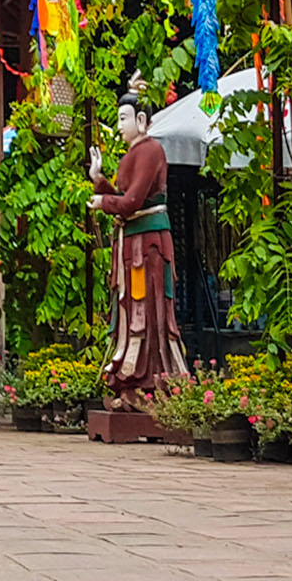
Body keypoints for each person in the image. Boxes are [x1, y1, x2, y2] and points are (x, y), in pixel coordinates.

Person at [88, 89, 188, 407]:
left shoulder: (150, 150)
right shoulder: (132, 153)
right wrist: (99, 180)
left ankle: (153, 380)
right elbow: (125, 195)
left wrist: (105, 201)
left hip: (150, 245)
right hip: (132, 241)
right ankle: (131, 379)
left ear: (141, 120)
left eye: (122, 118)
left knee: (151, 310)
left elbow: (132, 201)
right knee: (131, 308)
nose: (118, 125)